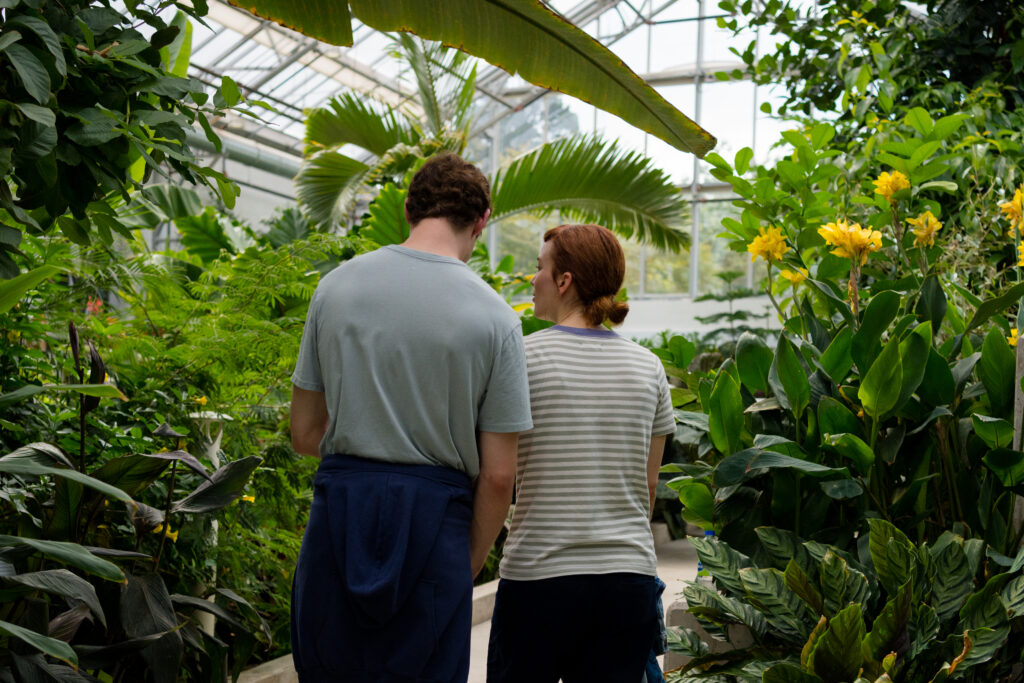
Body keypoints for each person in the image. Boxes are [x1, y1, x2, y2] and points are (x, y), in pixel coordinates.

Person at [289, 152, 533, 682]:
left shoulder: (335, 288)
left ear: (407, 209)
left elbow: (304, 431)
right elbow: (497, 475)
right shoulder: (496, 318)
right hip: (435, 526)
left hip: (339, 518)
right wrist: (464, 562)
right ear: (482, 219)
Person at [486, 224, 675, 683]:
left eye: (539, 269)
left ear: (564, 281)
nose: (533, 280)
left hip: (539, 578)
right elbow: (648, 485)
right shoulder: (648, 367)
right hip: (626, 581)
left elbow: (497, 474)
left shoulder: (522, 360)